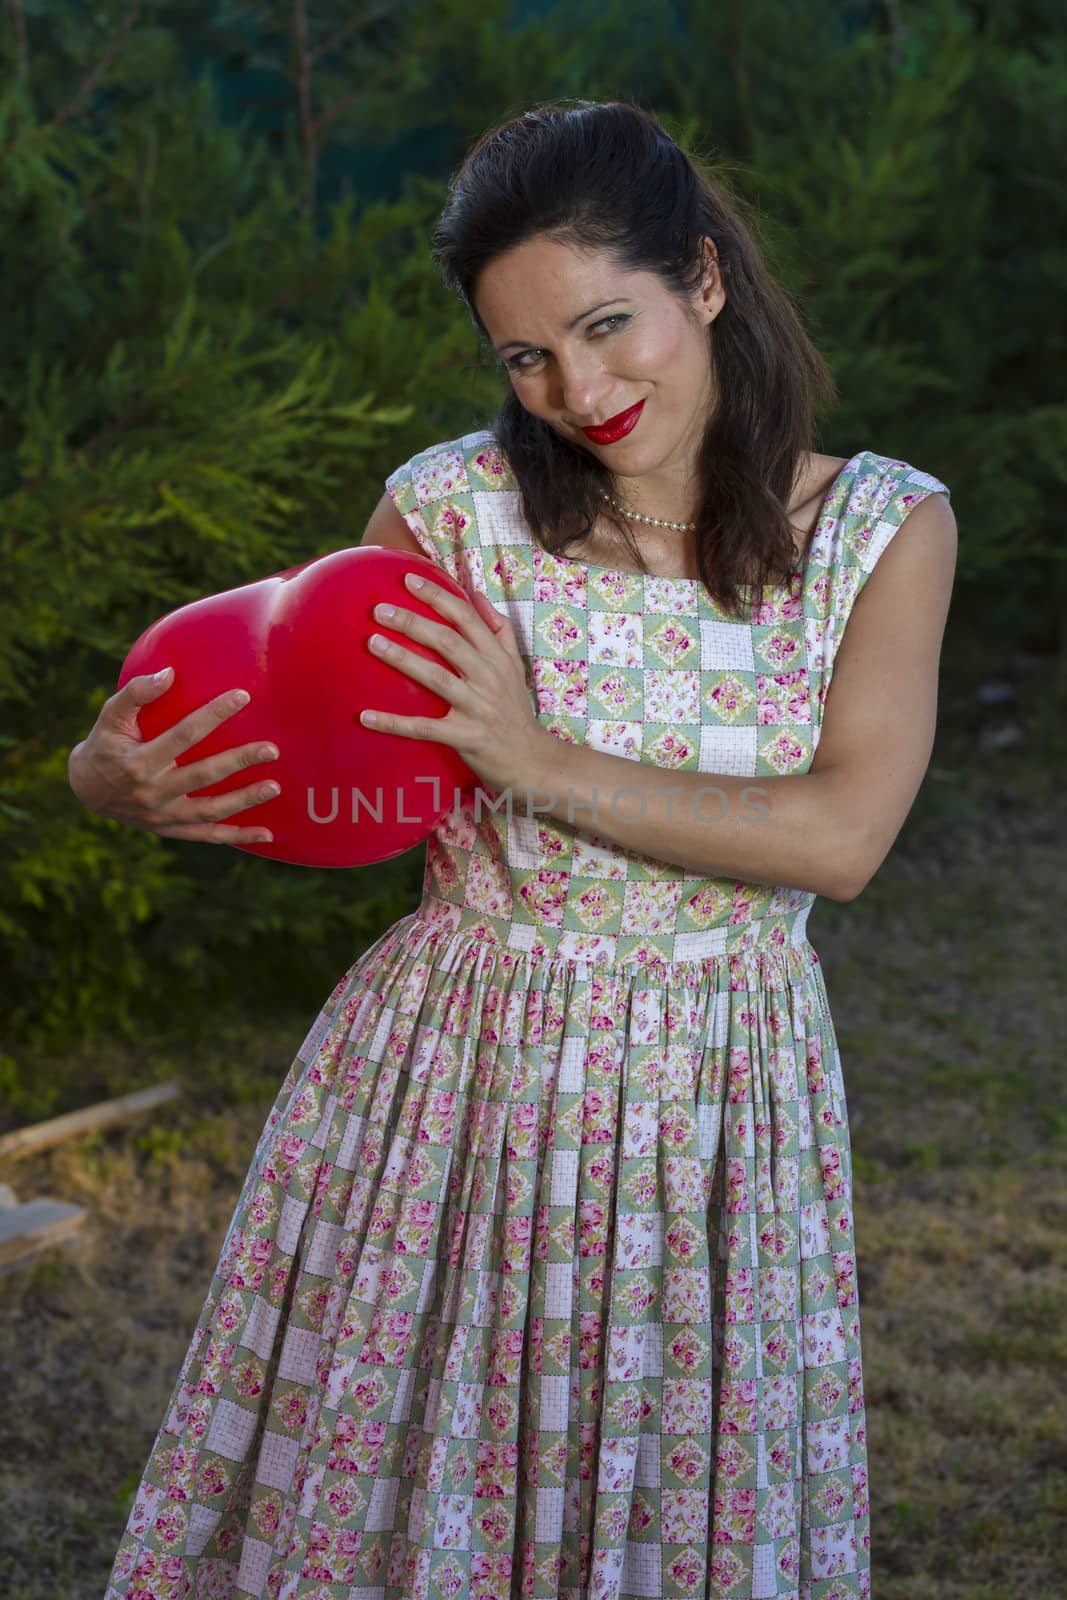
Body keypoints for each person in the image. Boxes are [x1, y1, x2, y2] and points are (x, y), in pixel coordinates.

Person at [78, 99, 956, 1600]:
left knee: (676, 1490)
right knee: (415, 1482)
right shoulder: (453, 514)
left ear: (705, 279)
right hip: (456, 1071)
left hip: (717, 1095)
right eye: (525, 355)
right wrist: (120, 778)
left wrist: (532, 759)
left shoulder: (881, 528)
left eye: (611, 326)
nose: (578, 387)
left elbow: (842, 835)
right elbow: (313, 755)